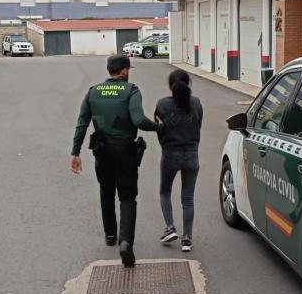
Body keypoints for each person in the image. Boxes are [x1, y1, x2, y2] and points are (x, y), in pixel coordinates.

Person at [70, 55, 162, 267]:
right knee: (128, 196)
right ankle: (125, 242)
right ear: (124, 71)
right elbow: (139, 120)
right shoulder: (131, 91)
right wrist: (159, 127)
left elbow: (82, 123)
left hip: (101, 151)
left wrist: (75, 153)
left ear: (109, 70)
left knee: (106, 191)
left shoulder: (93, 91)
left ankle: (110, 235)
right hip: (125, 150)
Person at [154, 69, 203, 252]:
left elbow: (159, 129)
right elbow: (198, 126)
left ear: (170, 85)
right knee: (188, 198)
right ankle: (187, 239)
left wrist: (166, 146)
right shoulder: (196, 103)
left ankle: (170, 227)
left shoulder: (162, 104)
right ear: (188, 83)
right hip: (191, 154)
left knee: (165, 192)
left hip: (170, 154)